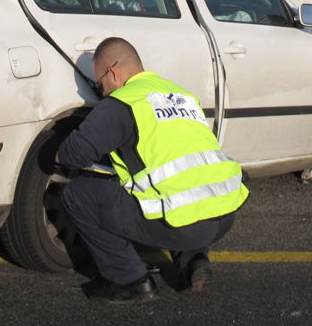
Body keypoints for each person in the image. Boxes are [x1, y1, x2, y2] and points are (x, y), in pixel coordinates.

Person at [57, 36, 248, 304]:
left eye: (99, 84)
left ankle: (130, 283)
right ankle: (193, 261)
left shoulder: (122, 103)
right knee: (179, 188)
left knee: (77, 195)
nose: (101, 92)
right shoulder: (179, 94)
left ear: (112, 73)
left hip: (184, 225)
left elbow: (73, 154)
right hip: (223, 215)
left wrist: (55, 151)